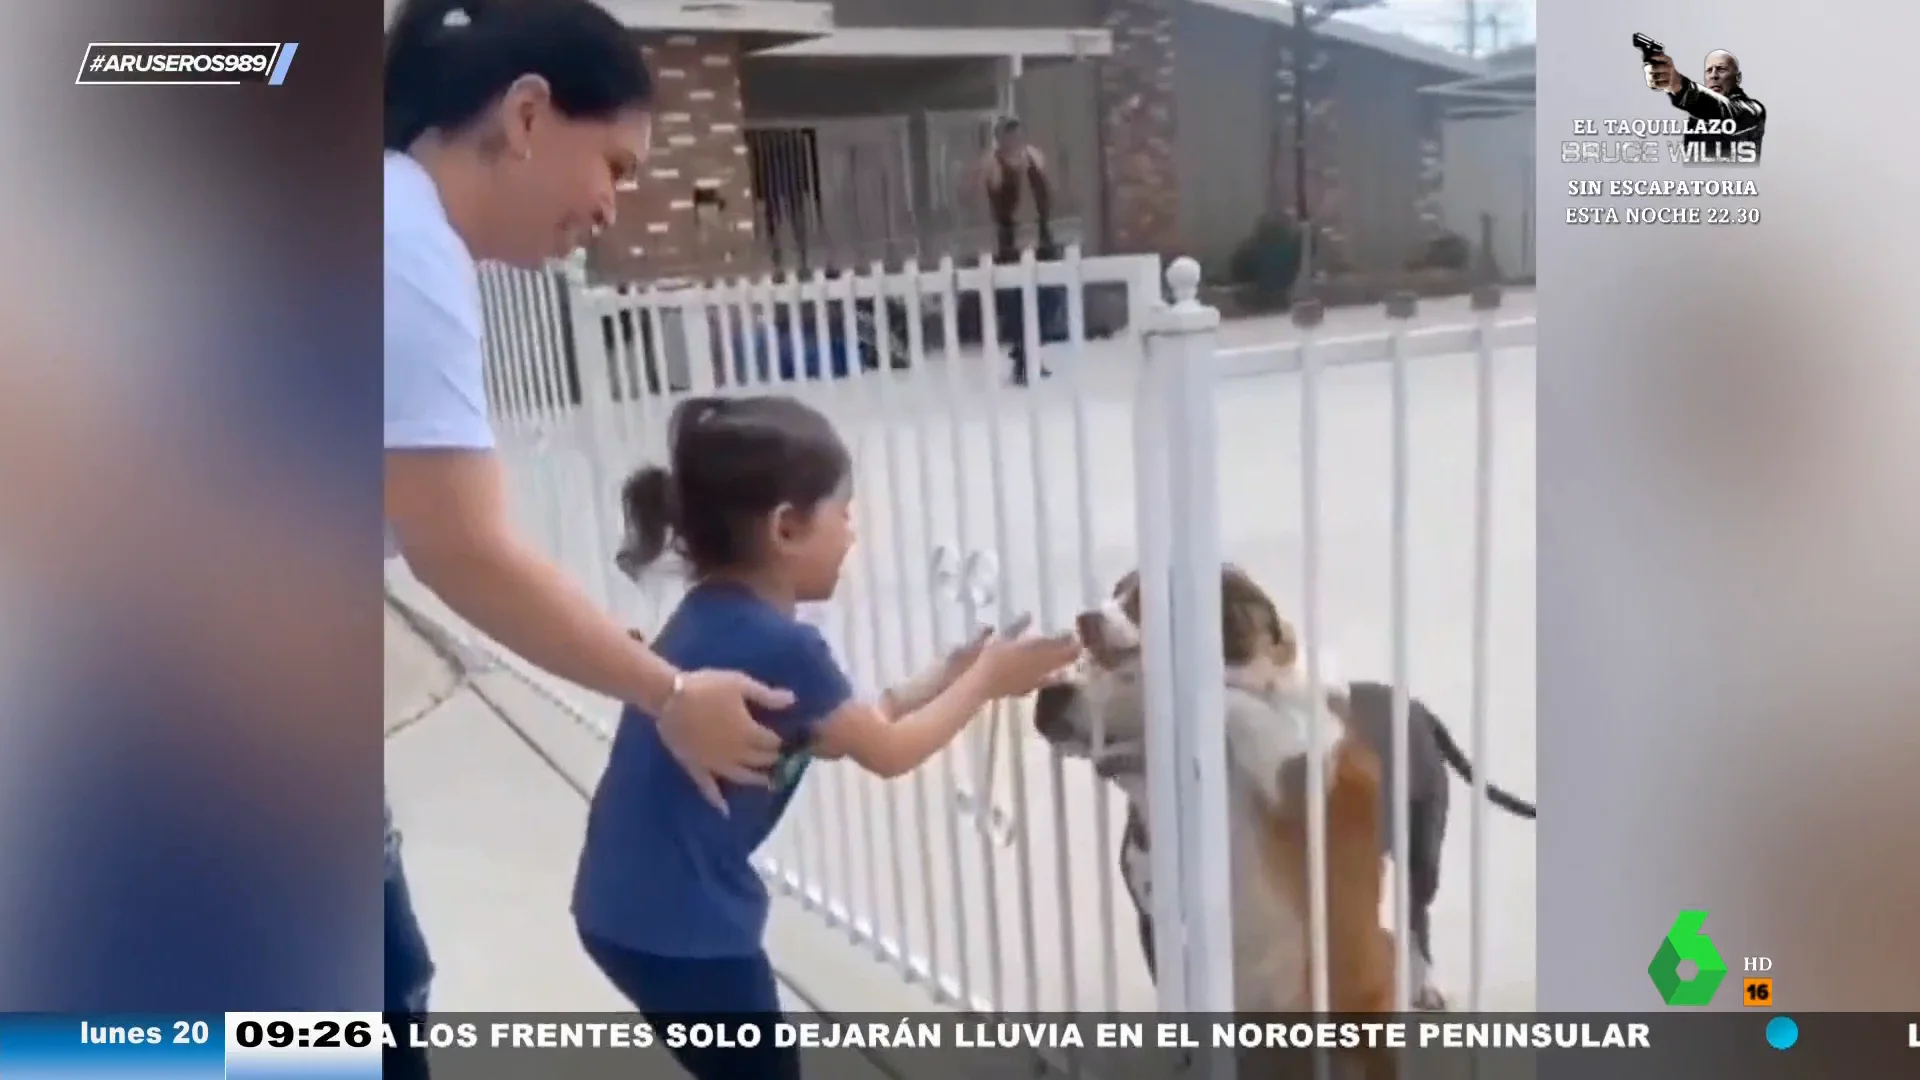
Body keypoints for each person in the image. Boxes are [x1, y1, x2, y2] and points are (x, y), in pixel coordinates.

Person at [383, 0, 794, 1074]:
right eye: (613, 162)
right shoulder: (401, 245)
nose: (612, 206)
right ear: (526, 116)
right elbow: (460, 548)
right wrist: (667, 693)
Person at [573, 395, 1080, 1080]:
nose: (853, 532)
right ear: (786, 527)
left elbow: (849, 729)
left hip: (624, 908)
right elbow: (888, 754)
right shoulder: (782, 644)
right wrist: (986, 680)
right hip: (683, 927)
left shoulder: (715, 617)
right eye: (844, 513)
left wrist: (948, 676)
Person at [982, 117, 1061, 385]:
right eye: (1009, 136)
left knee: (1048, 297)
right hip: (1012, 242)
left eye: (1017, 134)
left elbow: (1047, 193)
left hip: (1040, 237)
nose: (1014, 140)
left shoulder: (1034, 159)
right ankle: (1023, 357)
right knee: (1018, 302)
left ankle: (1030, 351)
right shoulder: (995, 164)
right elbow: (995, 197)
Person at [1644, 48, 1764, 160]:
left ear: (1737, 77)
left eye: (1721, 69)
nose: (1713, 75)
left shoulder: (1753, 110)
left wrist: (1679, 85)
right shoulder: (1696, 117)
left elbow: (1726, 111)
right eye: (1709, 70)